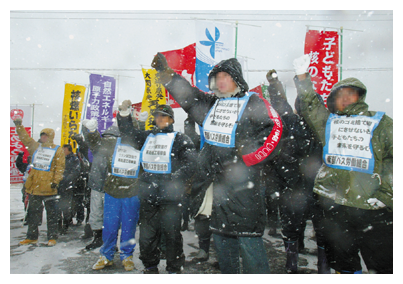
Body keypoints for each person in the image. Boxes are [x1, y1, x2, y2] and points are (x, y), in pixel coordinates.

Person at [150, 53, 286, 274]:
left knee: (250, 248)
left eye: (225, 76)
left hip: (244, 191)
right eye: (217, 77)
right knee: (224, 249)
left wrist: (245, 157)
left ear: (237, 79)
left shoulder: (253, 102)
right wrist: (168, 76)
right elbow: (190, 97)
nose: (220, 81)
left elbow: (275, 132)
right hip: (216, 190)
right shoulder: (213, 104)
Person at [292, 54, 393, 274]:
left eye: (350, 93)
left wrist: (386, 195)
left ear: (360, 96)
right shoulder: (329, 124)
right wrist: (302, 77)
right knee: (342, 263)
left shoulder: (380, 122)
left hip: (372, 207)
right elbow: (310, 106)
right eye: (340, 95)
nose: (345, 99)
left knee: (383, 265)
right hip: (334, 205)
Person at [117, 103, 197, 274]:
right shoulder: (148, 137)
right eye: (157, 116)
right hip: (148, 197)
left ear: (171, 119)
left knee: (172, 236)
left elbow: (191, 164)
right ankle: (150, 266)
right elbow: (128, 135)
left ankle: (174, 268)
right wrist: (124, 115)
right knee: (147, 237)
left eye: (164, 116)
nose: (159, 119)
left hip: (171, 198)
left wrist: (173, 179)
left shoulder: (180, 139)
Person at [265, 69, 330, 273]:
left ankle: (321, 265)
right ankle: (293, 263)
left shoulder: (326, 125)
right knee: (292, 226)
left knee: (321, 228)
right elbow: (280, 105)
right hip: (294, 184)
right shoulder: (291, 122)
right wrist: (274, 85)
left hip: (317, 186)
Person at [82, 119, 141, 272]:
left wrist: (142, 124)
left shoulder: (139, 141)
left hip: (132, 192)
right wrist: (92, 132)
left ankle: (127, 256)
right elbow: (96, 145)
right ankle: (106, 255)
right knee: (109, 225)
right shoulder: (112, 143)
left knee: (129, 226)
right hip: (112, 191)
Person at [13, 118, 65, 247]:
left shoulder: (57, 150)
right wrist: (19, 126)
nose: (43, 138)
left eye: (45, 136)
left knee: (52, 214)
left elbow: (60, 167)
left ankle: (52, 237)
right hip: (34, 187)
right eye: (42, 135)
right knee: (33, 213)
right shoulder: (36, 147)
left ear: (51, 137)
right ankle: (31, 237)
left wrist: (56, 181)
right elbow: (25, 138)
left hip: (49, 187)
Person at [57, 144, 81, 234]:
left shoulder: (74, 159)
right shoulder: (59, 158)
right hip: (59, 185)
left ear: (69, 150)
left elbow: (76, 172)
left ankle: (66, 225)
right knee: (57, 207)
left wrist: (66, 180)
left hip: (68, 186)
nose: (63, 151)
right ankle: (58, 225)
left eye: (64, 150)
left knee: (66, 206)